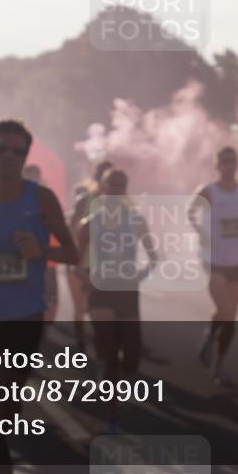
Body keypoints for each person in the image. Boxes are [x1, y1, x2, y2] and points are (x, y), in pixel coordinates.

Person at [0, 120, 79, 474]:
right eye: (3, 148)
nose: (9, 156)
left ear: (26, 156)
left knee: (4, 406)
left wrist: (42, 251)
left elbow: (72, 253)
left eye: (17, 151)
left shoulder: (41, 198)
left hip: (24, 316)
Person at [77, 168, 157, 434]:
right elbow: (76, 260)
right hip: (101, 291)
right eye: (112, 185)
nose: (117, 190)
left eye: (122, 186)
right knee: (111, 352)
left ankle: (113, 378)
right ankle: (112, 416)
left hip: (127, 292)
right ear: (103, 189)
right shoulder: (91, 222)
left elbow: (153, 255)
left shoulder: (135, 220)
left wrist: (141, 274)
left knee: (132, 354)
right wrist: (85, 279)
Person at [189, 146, 238, 385]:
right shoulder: (208, 192)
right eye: (224, 162)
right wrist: (201, 231)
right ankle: (215, 361)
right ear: (217, 166)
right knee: (228, 312)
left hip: (237, 262)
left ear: (237, 165)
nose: (228, 166)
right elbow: (190, 212)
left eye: (232, 162)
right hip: (213, 261)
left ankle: (216, 360)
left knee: (228, 315)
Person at [67, 159, 114, 352]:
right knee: (80, 308)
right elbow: (70, 230)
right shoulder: (84, 201)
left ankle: (100, 348)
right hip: (81, 264)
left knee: (101, 312)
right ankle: (80, 346)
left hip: (104, 268)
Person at [22, 164, 58, 324]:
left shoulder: (48, 198)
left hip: (46, 257)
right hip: (22, 258)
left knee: (50, 301)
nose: (33, 180)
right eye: (29, 176)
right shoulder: (15, 199)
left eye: (35, 176)